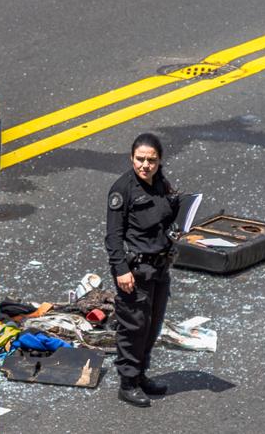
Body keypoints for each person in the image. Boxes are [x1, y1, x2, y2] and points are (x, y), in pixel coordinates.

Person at [105, 132, 179, 407]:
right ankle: (128, 382)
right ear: (131, 158)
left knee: (152, 326)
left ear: (159, 161)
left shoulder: (162, 184)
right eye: (140, 159)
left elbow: (168, 219)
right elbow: (113, 236)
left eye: (151, 160)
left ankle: (141, 375)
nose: (145, 165)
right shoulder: (122, 190)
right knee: (133, 327)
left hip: (160, 268)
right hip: (135, 271)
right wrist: (121, 270)